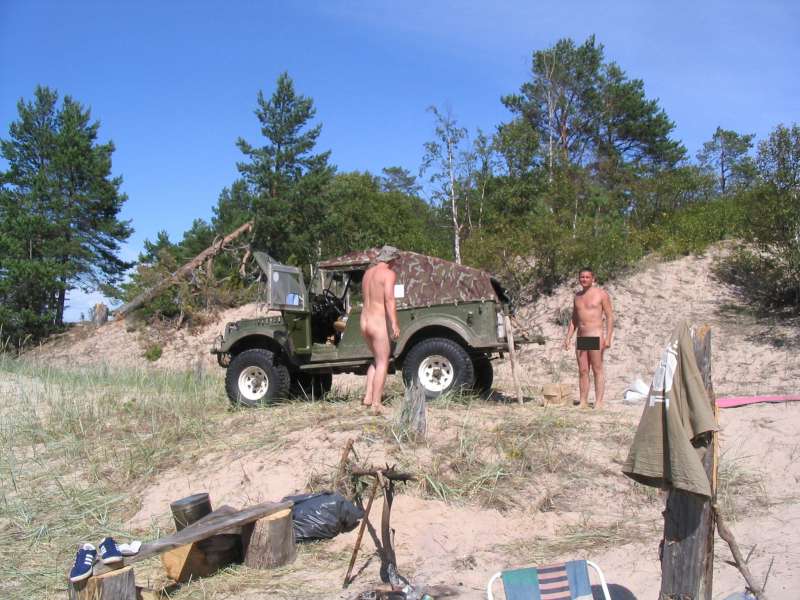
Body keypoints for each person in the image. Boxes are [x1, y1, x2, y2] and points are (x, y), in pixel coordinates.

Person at [563, 267, 614, 408]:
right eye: (582, 277)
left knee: (597, 369)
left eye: (587, 277)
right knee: (583, 370)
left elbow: (610, 316)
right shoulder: (577, 296)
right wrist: (568, 337)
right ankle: (583, 401)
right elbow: (574, 319)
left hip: (595, 335)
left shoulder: (601, 294)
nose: (584, 279)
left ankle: (599, 402)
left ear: (593, 278)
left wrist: (608, 337)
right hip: (582, 337)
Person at [360, 246, 401, 413]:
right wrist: (394, 323)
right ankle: (376, 404)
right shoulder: (388, 274)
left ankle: (368, 397)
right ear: (391, 259)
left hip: (364, 321)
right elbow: (389, 299)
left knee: (376, 360)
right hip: (377, 322)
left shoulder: (367, 273)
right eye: (395, 261)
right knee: (383, 361)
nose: (395, 264)